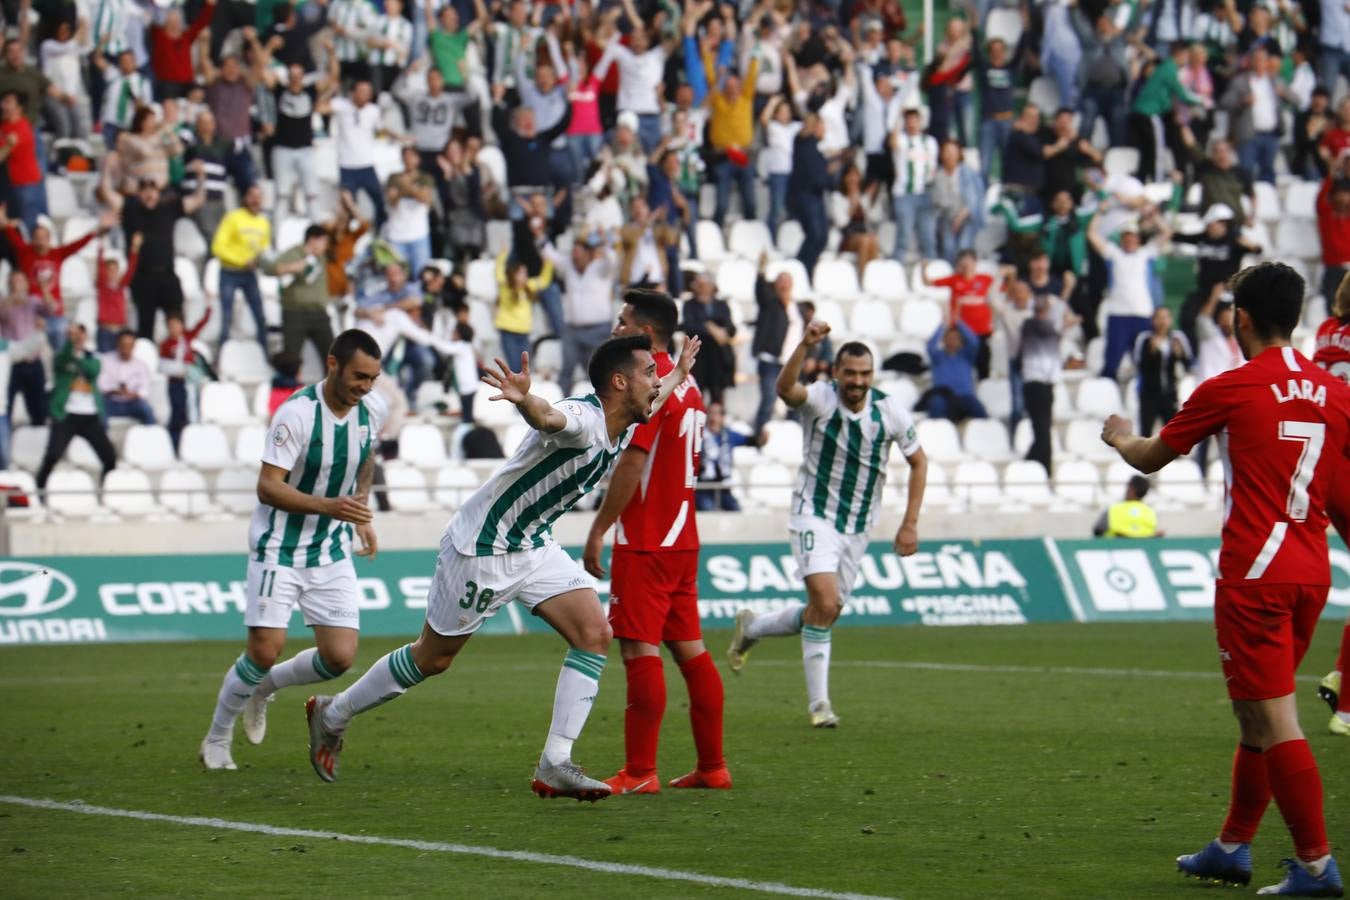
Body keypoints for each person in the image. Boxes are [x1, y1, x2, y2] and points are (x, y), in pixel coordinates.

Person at [303, 334, 702, 799]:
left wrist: (678, 373)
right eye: (649, 374)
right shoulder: (586, 420)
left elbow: (652, 403)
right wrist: (525, 400)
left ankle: (555, 763)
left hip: (531, 545)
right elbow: (551, 417)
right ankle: (333, 713)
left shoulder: (628, 417)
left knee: (595, 633)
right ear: (619, 382)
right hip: (484, 547)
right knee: (433, 658)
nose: (656, 383)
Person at [1101, 261, 1346, 896]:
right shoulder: (1336, 392)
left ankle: (1317, 867)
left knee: (1277, 721)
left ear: (1241, 316)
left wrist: (1121, 437)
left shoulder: (1232, 385)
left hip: (1255, 577)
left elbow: (1153, 456)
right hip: (1309, 572)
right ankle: (1232, 847)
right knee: (1254, 716)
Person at [199, 330, 387, 772]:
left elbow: (365, 460)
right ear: (333, 364)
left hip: (330, 548)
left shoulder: (370, 411)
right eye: (359, 376)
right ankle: (217, 738)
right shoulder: (296, 414)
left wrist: (362, 513)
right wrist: (330, 506)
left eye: (373, 379)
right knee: (265, 648)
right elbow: (267, 488)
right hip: (279, 547)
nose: (365, 387)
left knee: (339, 657)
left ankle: (265, 688)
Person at [729, 323, 926, 727]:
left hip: (858, 525)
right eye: (850, 373)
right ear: (836, 372)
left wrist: (910, 524)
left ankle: (754, 627)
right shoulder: (819, 398)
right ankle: (820, 706)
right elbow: (786, 390)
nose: (858, 381)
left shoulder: (889, 411)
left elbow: (919, 461)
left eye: (865, 374)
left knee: (827, 610)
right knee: (823, 601)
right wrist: (804, 344)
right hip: (813, 514)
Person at [581, 290, 729, 794]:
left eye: (623, 321)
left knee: (638, 650)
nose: (616, 328)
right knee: (691, 650)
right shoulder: (689, 388)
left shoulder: (651, 384)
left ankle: (641, 772)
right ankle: (713, 767)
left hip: (647, 540)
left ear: (645, 330)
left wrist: (600, 528)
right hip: (683, 536)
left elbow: (633, 462)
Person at [36, 322, 118, 492]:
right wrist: (70, 344)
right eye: (74, 334)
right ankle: (39, 491)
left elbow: (92, 371)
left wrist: (79, 355)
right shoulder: (62, 356)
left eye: (80, 334)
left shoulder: (93, 357)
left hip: (89, 416)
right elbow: (62, 359)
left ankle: (105, 492)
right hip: (66, 416)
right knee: (52, 456)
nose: (78, 338)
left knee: (109, 457)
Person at [1088, 212, 1167, 380]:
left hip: (1142, 315)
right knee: (1111, 363)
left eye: (1133, 237)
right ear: (1122, 239)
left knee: (1146, 362)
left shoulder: (1146, 254)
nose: (1130, 240)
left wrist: (1154, 215)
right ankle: (1107, 399)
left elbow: (1166, 233)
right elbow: (1092, 235)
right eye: (1126, 237)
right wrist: (1099, 212)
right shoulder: (1114, 254)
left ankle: (1145, 399)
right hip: (1118, 315)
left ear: (1138, 239)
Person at [543, 232, 616, 397]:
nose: (575, 256)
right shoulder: (568, 266)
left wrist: (604, 245)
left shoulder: (600, 268)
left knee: (597, 372)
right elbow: (551, 256)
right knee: (566, 370)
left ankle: (603, 409)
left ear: (588, 253)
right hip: (572, 330)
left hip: (597, 330)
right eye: (573, 252)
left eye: (578, 252)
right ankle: (561, 409)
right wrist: (541, 237)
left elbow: (612, 261)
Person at [211, 183, 272, 349]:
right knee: (226, 316)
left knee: (260, 316)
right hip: (229, 272)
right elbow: (217, 247)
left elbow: (264, 248)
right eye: (252, 196)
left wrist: (260, 261)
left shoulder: (264, 222)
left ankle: (264, 355)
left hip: (250, 274)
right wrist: (241, 261)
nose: (255, 200)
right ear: (245, 198)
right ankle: (222, 355)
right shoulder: (233, 217)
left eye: (259, 197)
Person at [751, 253, 803, 439]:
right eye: (780, 282)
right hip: (771, 361)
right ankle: (758, 437)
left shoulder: (797, 307)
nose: (783, 286)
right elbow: (760, 291)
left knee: (795, 402)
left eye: (786, 282)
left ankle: (793, 437)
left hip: (791, 364)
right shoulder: (770, 303)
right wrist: (761, 270)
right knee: (769, 400)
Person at [921, 252, 994, 380]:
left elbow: (1003, 289)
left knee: (983, 366)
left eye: (969, 261)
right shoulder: (954, 280)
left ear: (975, 263)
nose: (966, 265)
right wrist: (924, 268)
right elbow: (928, 283)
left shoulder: (986, 279)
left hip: (982, 330)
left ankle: (983, 390)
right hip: (962, 333)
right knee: (963, 365)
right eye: (963, 262)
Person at [266, 225, 334, 361]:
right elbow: (271, 269)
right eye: (323, 241)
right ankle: (290, 382)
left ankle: (333, 383)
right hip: (295, 313)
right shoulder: (294, 253)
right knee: (291, 357)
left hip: (319, 313)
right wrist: (293, 267)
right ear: (312, 240)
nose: (326, 246)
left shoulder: (321, 257)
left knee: (332, 357)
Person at [159, 309, 212, 451]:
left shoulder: (187, 337)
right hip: (176, 382)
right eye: (170, 326)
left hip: (191, 382)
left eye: (175, 325)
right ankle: (175, 442)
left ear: (182, 325)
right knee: (178, 411)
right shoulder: (166, 345)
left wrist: (208, 309)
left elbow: (201, 325)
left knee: (192, 410)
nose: (173, 329)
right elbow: (163, 365)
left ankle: (192, 441)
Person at [681, 272, 736, 406]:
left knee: (718, 398)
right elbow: (689, 326)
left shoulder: (721, 304)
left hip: (718, 359)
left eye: (702, 284)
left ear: (711, 286)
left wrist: (720, 331)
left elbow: (731, 328)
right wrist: (710, 328)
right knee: (696, 396)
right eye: (697, 284)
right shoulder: (690, 304)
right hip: (699, 357)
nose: (698, 287)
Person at [918, 318, 986, 423]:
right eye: (949, 338)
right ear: (944, 340)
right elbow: (930, 345)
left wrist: (958, 322)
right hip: (943, 396)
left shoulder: (967, 355)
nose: (952, 341)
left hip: (965, 396)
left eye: (955, 338)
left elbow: (974, 341)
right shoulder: (937, 356)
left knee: (979, 411)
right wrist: (943, 325)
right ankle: (936, 435)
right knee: (936, 404)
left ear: (960, 341)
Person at [696, 401, 751, 511]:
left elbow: (751, 440)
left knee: (736, 510)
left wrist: (762, 438)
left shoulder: (729, 435)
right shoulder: (698, 435)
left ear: (722, 417)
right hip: (704, 488)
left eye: (717, 413)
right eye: (710, 413)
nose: (713, 417)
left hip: (724, 488)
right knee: (708, 510)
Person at [98, 329, 155, 424]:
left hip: (132, 403)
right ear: (117, 345)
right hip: (111, 402)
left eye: (129, 346)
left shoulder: (141, 365)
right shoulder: (105, 360)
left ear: (134, 346)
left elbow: (144, 390)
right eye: (123, 345)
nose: (125, 349)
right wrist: (115, 391)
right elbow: (101, 385)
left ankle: (150, 437)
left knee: (147, 410)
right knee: (99, 412)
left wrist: (131, 394)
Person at [95, 234, 141, 352]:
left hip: (119, 330)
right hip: (105, 330)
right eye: (109, 271)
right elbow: (100, 266)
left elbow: (131, 270)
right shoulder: (103, 286)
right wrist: (101, 246)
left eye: (115, 271)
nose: (113, 274)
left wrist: (134, 250)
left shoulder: (121, 286)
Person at [1091, 475, 1160, 538]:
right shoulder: (1150, 513)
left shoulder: (1113, 510)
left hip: (1115, 549)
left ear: (1130, 488)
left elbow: (1097, 532)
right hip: (1143, 550)